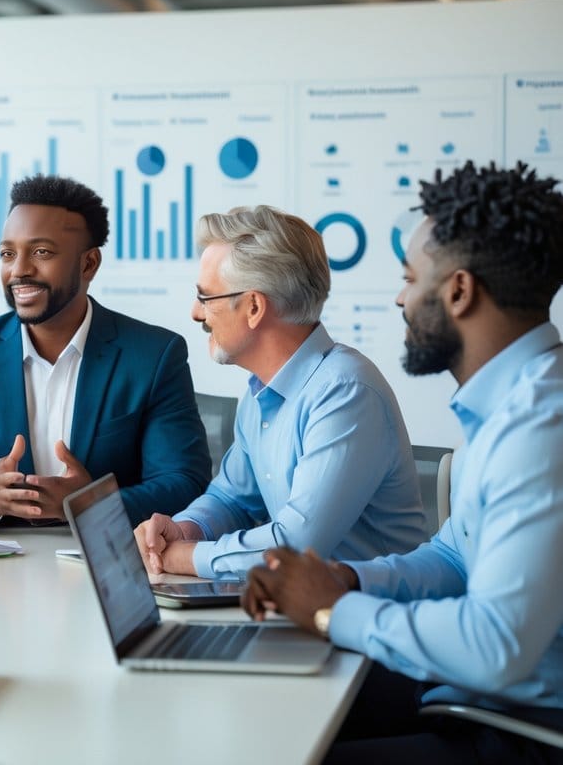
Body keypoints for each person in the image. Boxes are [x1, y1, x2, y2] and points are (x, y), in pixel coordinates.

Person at [242, 162, 563, 764]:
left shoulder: (541, 429)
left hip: (525, 729)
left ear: (460, 291)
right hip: (477, 691)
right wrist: (353, 580)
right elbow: (454, 554)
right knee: (252, 709)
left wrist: (332, 609)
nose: (399, 297)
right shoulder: (510, 405)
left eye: (410, 278)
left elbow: (496, 645)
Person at [0, 173, 211, 530]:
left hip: (105, 562)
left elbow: (185, 482)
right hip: (0, 567)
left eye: (41, 252)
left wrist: (89, 504)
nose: (19, 270)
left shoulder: (154, 355)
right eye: (7, 253)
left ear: (88, 264)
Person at [133, 205, 426, 579]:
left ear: (254, 306)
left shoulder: (345, 392)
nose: (196, 312)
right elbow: (232, 498)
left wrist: (182, 558)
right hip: (303, 610)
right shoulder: (260, 392)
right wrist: (185, 529)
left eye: (205, 297)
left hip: (367, 620)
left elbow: (295, 544)